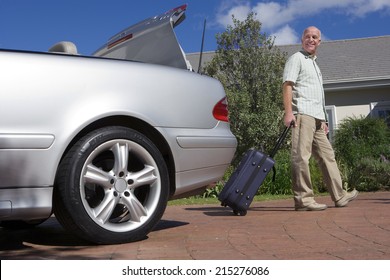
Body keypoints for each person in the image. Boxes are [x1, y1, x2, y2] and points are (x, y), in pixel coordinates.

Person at [282, 26, 358, 211]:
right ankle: (303, 200)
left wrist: (323, 120)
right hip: (302, 114)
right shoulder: (296, 58)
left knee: (328, 156)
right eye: (307, 36)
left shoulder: (314, 64)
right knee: (301, 157)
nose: (311, 39)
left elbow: (318, 95)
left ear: (319, 42)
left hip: (316, 118)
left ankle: (339, 196)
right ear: (302, 40)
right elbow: (287, 85)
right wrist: (289, 112)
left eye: (315, 37)